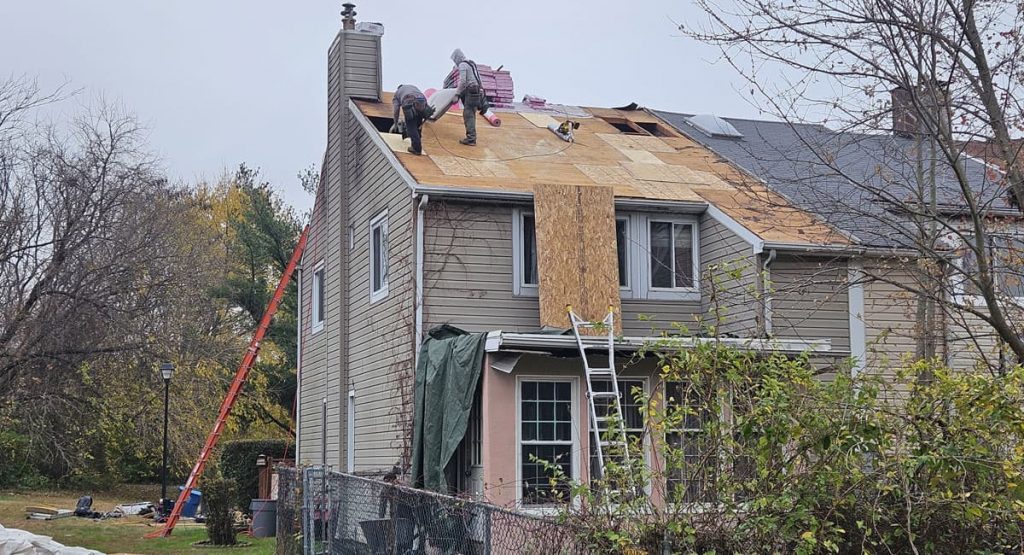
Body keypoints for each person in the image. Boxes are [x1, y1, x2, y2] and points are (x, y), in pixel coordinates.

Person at [451, 48, 484, 146]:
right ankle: (472, 137)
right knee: (472, 114)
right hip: (476, 90)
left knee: (468, 114)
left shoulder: (462, 65)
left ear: (457, 58)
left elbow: (463, 81)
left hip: (471, 90)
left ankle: (471, 139)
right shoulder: (471, 63)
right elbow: (478, 78)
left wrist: (457, 94)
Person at [391, 84, 432, 155]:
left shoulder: (397, 94)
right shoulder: (412, 87)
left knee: (411, 125)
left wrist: (395, 123)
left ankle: (416, 149)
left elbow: (396, 110)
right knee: (418, 124)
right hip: (422, 100)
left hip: (408, 101)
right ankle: (417, 141)